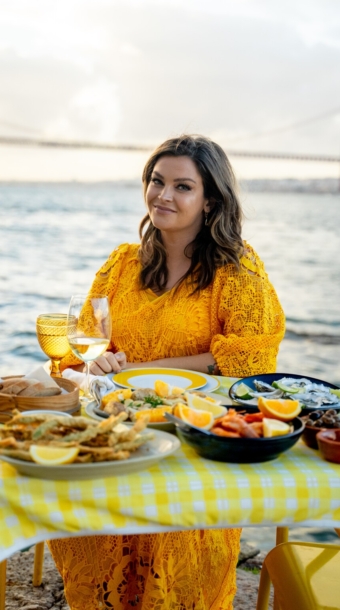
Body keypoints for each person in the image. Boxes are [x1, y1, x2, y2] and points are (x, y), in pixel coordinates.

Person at [49, 134, 285, 610]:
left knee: (179, 573)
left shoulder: (239, 271)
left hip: (195, 432)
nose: (163, 196)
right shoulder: (121, 265)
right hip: (121, 426)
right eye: (157, 181)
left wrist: (138, 365)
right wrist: (97, 362)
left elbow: (248, 360)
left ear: (210, 199)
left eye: (182, 186)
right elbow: (82, 349)